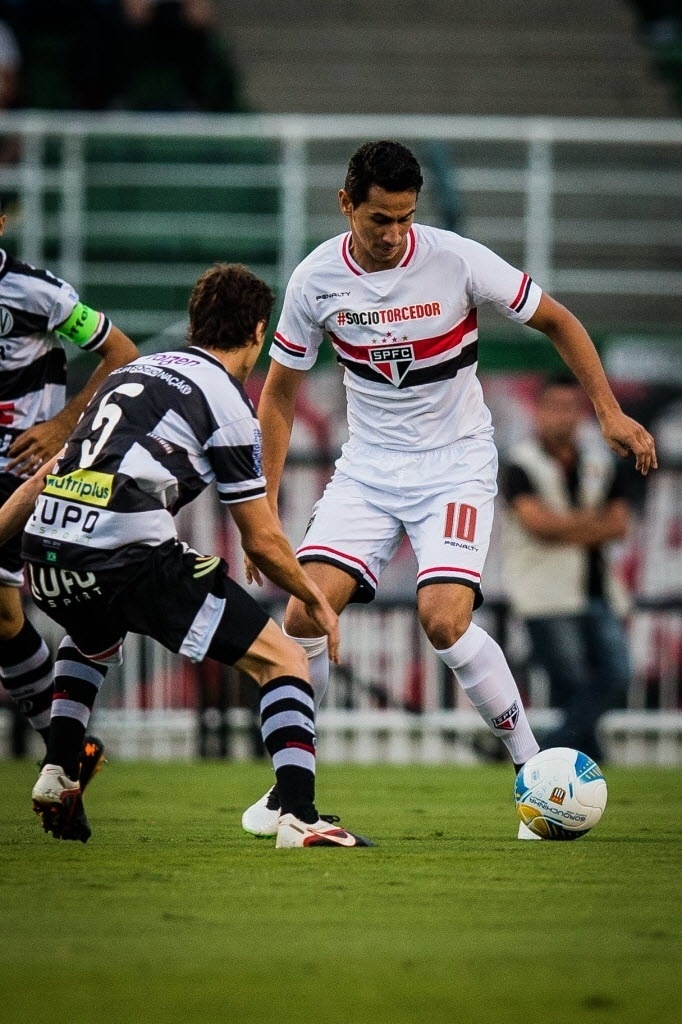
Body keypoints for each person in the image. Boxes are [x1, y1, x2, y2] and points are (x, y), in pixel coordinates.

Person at [241, 140, 657, 841]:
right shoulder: (315, 279)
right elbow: (277, 397)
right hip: (368, 471)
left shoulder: (457, 259)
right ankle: (292, 790)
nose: (394, 234)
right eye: (379, 219)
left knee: (443, 619)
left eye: (405, 218)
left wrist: (609, 411)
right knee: (303, 616)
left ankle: (535, 781)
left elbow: (558, 320)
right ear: (347, 204)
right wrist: (264, 514)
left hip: (454, 467)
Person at [18, 262, 372, 848]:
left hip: (47, 547)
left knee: (92, 634)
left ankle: (58, 770)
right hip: (124, 547)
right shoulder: (226, 402)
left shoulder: (131, 374)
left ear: (194, 322)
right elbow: (260, 537)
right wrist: (317, 601)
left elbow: (42, 480)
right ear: (259, 332)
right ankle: (300, 818)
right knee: (283, 659)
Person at [0, 198, 139, 782]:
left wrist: (62, 426)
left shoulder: (35, 292)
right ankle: (66, 745)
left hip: (15, 475)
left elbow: (122, 354)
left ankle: (64, 745)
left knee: (3, 614)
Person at [501, 374, 634, 762]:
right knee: (574, 684)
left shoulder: (599, 461)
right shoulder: (520, 463)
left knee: (616, 676)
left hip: (597, 588)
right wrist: (592, 526)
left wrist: (565, 527)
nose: (565, 417)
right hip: (544, 593)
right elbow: (537, 526)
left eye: (572, 409)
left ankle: (543, 751)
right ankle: (582, 760)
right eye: (555, 407)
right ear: (538, 411)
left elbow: (619, 524)